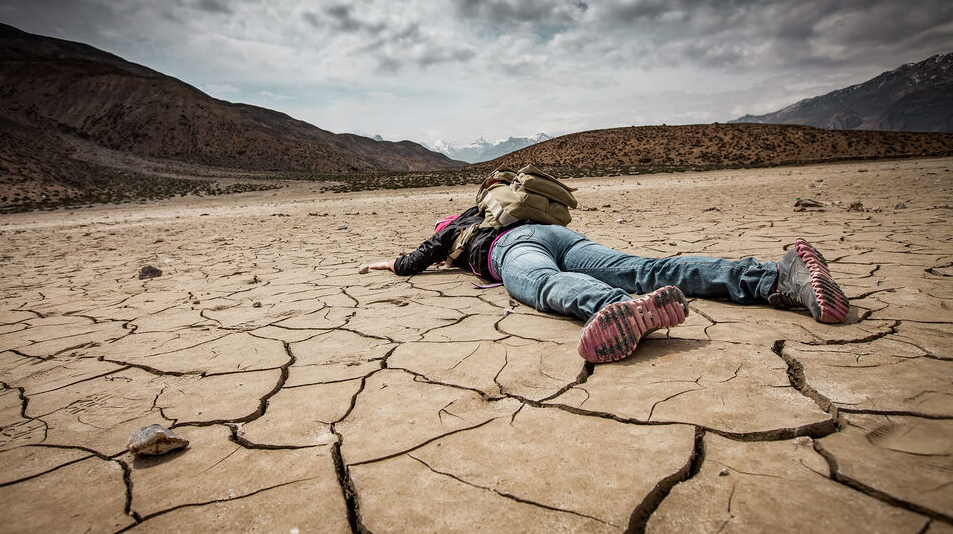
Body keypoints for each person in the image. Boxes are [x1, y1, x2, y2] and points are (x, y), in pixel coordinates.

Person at [364, 206, 850, 363]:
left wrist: (389, 264)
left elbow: (415, 262)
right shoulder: (500, 210)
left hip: (512, 249)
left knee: (538, 282)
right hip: (558, 234)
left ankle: (621, 309)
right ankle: (779, 276)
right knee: (645, 266)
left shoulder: (453, 229)